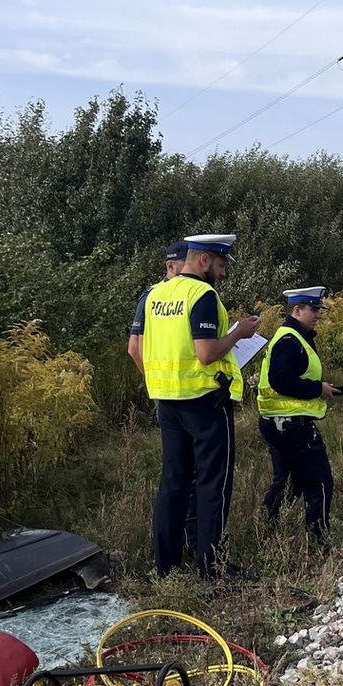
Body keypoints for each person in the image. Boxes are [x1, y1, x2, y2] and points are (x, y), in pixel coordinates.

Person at [141, 234, 260, 578]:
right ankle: (213, 567)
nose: (222, 275)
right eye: (221, 266)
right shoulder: (202, 295)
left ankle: (166, 567)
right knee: (212, 483)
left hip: (167, 400)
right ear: (205, 261)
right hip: (204, 402)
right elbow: (206, 353)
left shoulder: (156, 294)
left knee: (173, 482)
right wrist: (238, 333)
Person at [128, 240, 197, 556]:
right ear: (172, 266)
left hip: (170, 394)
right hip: (180, 397)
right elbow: (134, 349)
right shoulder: (157, 296)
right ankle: (189, 541)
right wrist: (159, 382)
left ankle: (180, 545)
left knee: (180, 472)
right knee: (186, 473)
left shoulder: (154, 297)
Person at [256, 286, 340, 543]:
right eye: (314, 309)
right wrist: (318, 388)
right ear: (297, 310)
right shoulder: (290, 341)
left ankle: (265, 530)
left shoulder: (292, 336)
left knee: (286, 481)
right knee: (320, 482)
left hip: (279, 422)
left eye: (319, 309)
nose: (318, 315)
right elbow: (280, 380)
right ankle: (318, 540)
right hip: (293, 425)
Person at [127, 241, 188, 374]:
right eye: (187, 266)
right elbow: (134, 347)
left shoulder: (193, 294)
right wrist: (152, 380)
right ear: (171, 267)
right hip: (164, 389)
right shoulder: (151, 296)